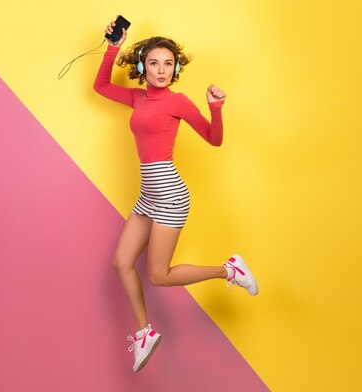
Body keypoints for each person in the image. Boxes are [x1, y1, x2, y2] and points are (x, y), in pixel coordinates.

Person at [93, 18, 259, 373]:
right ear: (141, 67)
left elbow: (214, 139)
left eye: (169, 63)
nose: (162, 70)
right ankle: (144, 333)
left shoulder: (178, 102)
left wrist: (215, 108)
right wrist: (113, 45)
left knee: (158, 275)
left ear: (176, 67)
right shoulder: (137, 98)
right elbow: (101, 86)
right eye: (154, 63)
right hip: (147, 197)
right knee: (122, 262)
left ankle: (229, 270)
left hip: (169, 195)